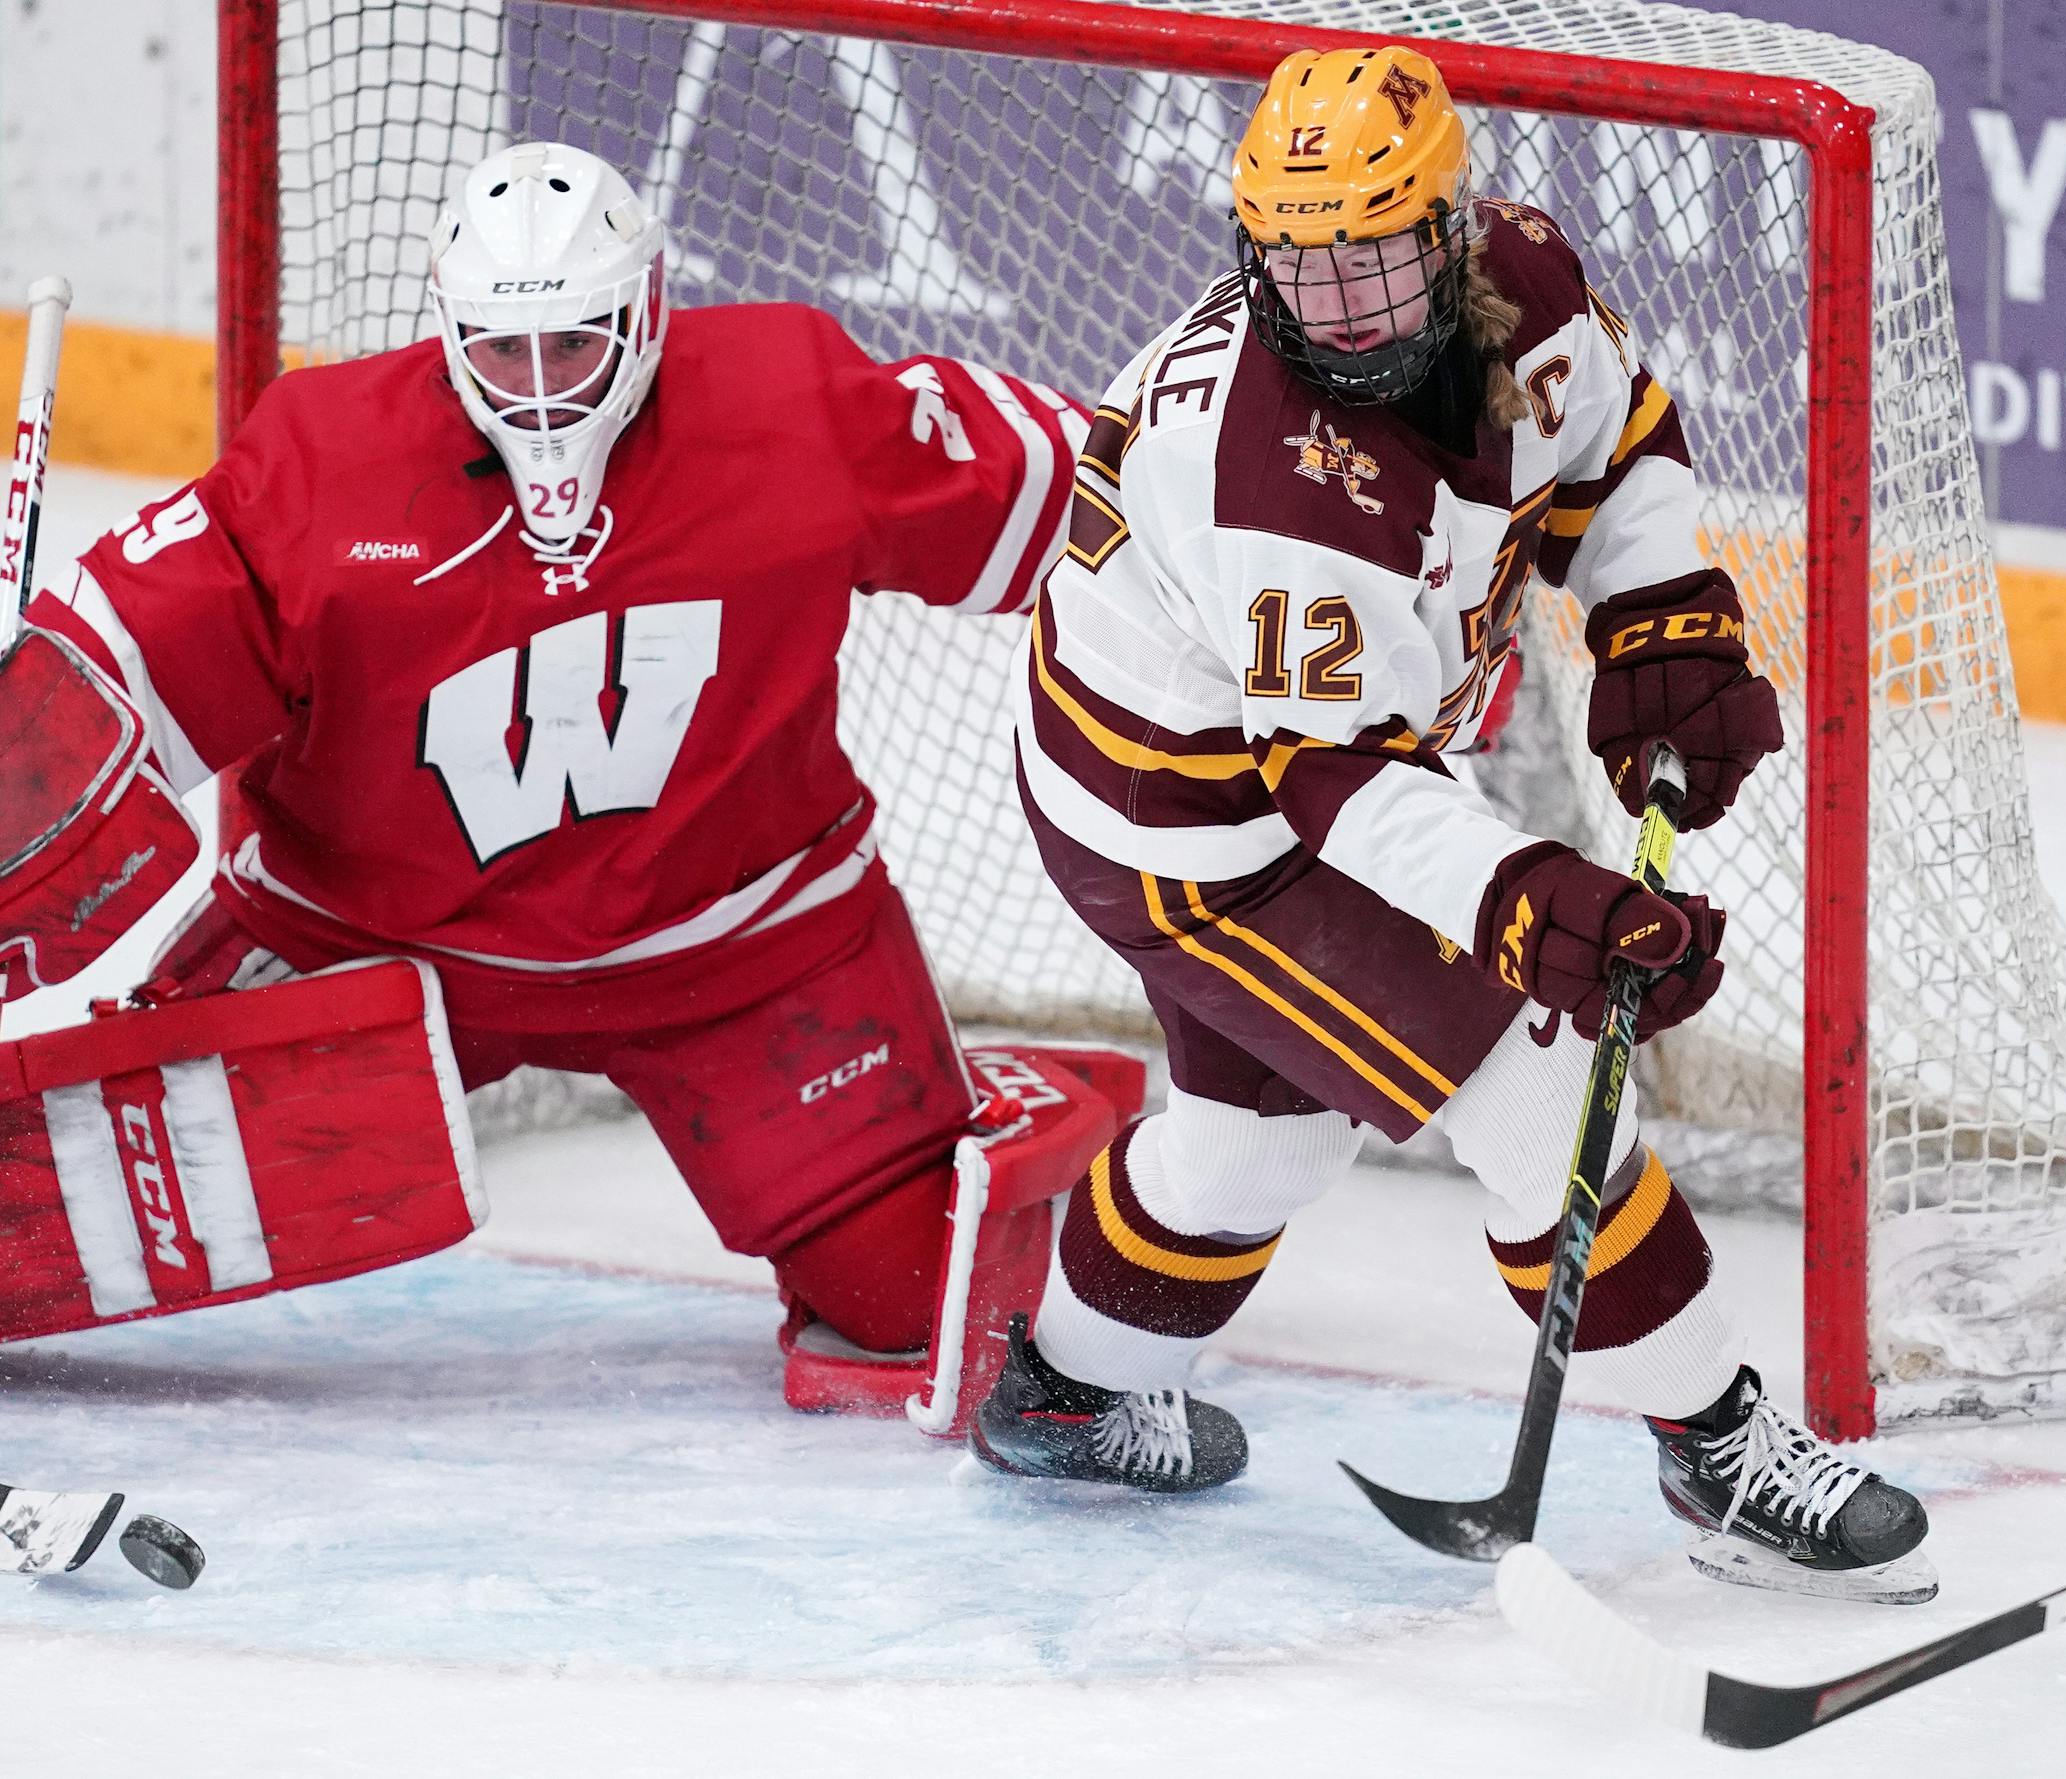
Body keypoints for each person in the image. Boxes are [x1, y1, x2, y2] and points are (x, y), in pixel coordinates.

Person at [972, 46, 1932, 1603]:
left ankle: (1065, 1395)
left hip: (1270, 758)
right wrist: (1532, 896)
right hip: (1196, 814)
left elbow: (1617, 451)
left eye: (1371, 263)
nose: (1336, 307)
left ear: (1451, 229)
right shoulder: (1280, 481)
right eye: (1298, 267)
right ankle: (1723, 1446)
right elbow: (1333, 783)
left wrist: (1660, 611)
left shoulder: (1526, 279)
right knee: (1544, 1095)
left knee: (1252, 1140)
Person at [17, 139, 1084, 1385]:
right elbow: (103, 686)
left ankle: (984, 1102)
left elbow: (1086, 512)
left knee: (914, 1304)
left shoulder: (791, 403)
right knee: (58, 1224)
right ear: (449, 328)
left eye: (572, 344)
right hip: (368, 948)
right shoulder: (321, 462)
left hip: (745, 951)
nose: (538, 389)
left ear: (648, 307)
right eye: (500, 349)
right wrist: (21, 727)